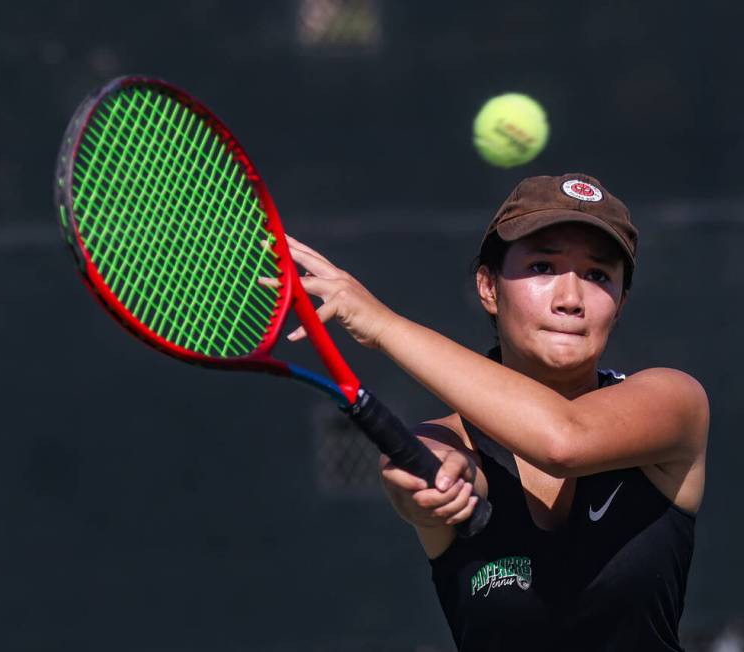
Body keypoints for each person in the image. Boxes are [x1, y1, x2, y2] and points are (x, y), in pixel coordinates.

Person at [275, 173, 709, 651]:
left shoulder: (674, 402)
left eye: (597, 276)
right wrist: (426, 487)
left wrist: (382, 325)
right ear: (487, 286)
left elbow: (562, 441)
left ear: (620, 303)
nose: (570, 299)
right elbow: (430, 467)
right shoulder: (445, 441)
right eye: (543, 267)